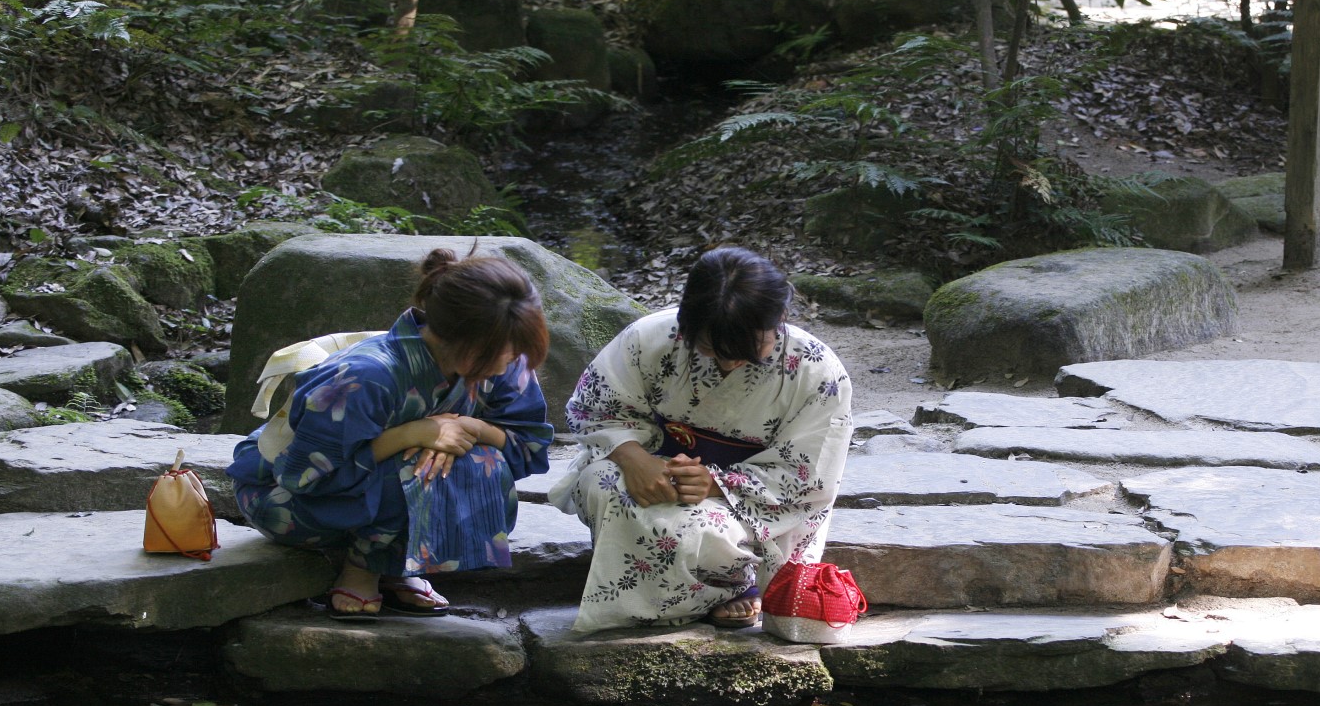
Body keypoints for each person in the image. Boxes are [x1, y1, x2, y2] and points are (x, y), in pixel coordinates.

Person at [228, 248, 553, 620]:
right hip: (287, 495)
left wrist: (471, 427)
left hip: (363, 487)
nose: (513, 360)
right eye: (504, 351)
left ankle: (399, 565)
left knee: (485, 462)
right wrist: (414, 433)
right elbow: (305, 477)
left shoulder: (506, 360)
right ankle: (363, 569)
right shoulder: (363, 377)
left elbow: (529, 449)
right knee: (414, 464)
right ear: (464, 341)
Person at [552, 247, 852, 634]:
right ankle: (666, 593)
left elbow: (809, 474)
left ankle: (730, 586)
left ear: (780, 318)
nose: (728, 363)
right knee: (603, 485)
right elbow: (595, 408)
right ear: (686, 321)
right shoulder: (649, 338)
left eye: (747, 351)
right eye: (711, 349)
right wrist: (634, 459)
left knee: (702, 532)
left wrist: (714, 483)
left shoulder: (817, 371)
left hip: (746, 496)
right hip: (649, 467)